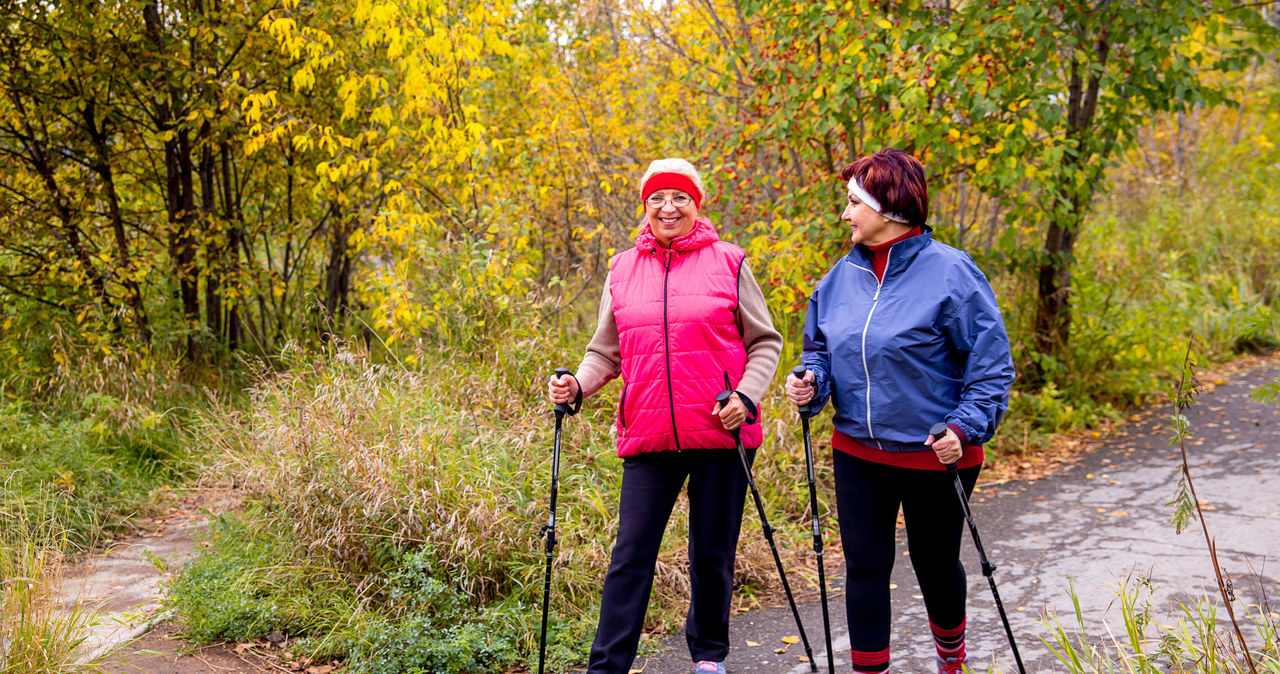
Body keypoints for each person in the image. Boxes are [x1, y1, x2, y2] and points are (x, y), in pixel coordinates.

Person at [784, 148, 1015, 674]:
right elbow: (820, 350)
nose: (844, 214)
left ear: (886, 207)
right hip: (858, 450)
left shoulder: (953, 274)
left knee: (934, 565)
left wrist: (964, 428)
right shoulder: (840, 277)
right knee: (865, 567)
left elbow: (991, 368)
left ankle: (951, 657)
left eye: (851, 203)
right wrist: (812, 383)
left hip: (936, 451)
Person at [547, 158, 782, 674]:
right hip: (650, 433)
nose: (667, 206)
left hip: (722, 431)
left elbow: (765, 341)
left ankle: (709, 658)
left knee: (712, 554)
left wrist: (745, 396)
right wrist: (576, 385)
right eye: (657, 197)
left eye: (679, 197)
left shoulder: (730, 262)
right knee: (631, 555)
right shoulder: (622, 269)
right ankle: (608, 666)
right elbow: (605, 353)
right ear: (645, 205)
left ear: (697, 204)